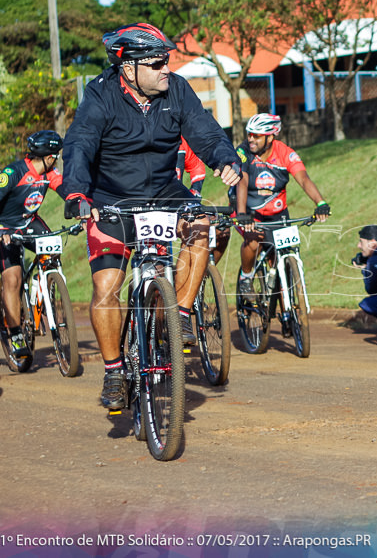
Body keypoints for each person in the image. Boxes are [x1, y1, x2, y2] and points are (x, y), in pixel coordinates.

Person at [61, 22, 242, 410]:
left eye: (167, 62)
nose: (166, 69)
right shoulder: (101, 94)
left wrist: (225, 159)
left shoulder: (175, 89)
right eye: (157, 63)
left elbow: (204, 130)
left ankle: (177, 315)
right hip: (110, 196)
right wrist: (76, 191)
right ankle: (113, 370)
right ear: (129, 68)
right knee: (106, 286)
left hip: (162, 190)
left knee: (201, 225)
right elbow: (80, 143)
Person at [0, 131, 68, 357]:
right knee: (13, 277)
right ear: (48, 157)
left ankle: (44, 287)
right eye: (55, 156)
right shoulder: (14, 172)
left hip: (30, 222)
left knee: (52, 250)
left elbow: (65, 190)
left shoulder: (50, 173)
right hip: (5, 228)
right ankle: (16, 333)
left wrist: (79, 204)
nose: (56, 160)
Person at [234, 113, 330, 301]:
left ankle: (285, 307)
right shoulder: (243, 151)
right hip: (246, 208)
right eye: (249, 134)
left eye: (256, 135)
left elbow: (303, 178)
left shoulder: (285, 153)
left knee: (281, 253)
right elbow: (242, 182)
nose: (250, 139)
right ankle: (246, 278)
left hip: (276, 212)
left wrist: (320, 202)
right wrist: (242, 213)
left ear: (270, 136)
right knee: (253, 240)